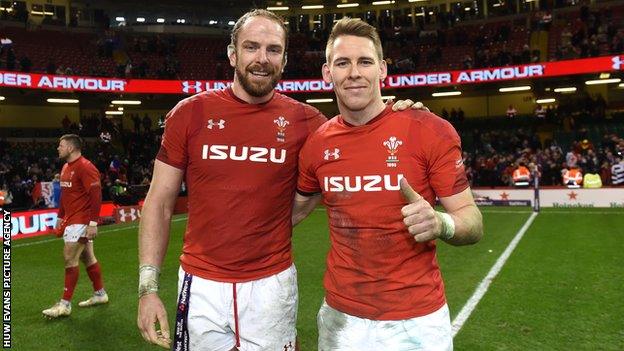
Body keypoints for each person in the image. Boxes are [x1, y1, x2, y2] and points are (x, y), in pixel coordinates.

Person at [137, 9, 425, 351]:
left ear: (284, 60)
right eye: (251, 47)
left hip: (271, 285)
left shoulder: (308, 121)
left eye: (273, 50)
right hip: (200, 287)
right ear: (232, 54)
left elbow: (359, 138)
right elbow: (159, 200)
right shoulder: (190, 114)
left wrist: (399, 115)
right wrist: (148, 287)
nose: (262, 59)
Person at [293, 18, 483, 350]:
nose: (354, 72)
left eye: (364, 62)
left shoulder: (428, 130)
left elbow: (473, 221)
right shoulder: (317, 144)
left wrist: (441, 223)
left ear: (382, 70)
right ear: (327, 73)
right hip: (342, 319)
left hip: (417, 322)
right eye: (342, 63)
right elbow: (288, 214)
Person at [42, 134, 108, 318]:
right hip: (71, 219)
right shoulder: (65, 167)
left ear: (71, 148)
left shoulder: (86, 167)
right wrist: (59, 216)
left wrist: (93, 223)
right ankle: (100, 294)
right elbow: (65, 195)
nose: (58, 148)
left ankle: (64, 305)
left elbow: (96, 195)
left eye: (61, 145)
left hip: (82, 220)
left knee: (69, 257)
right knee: (88, 258)